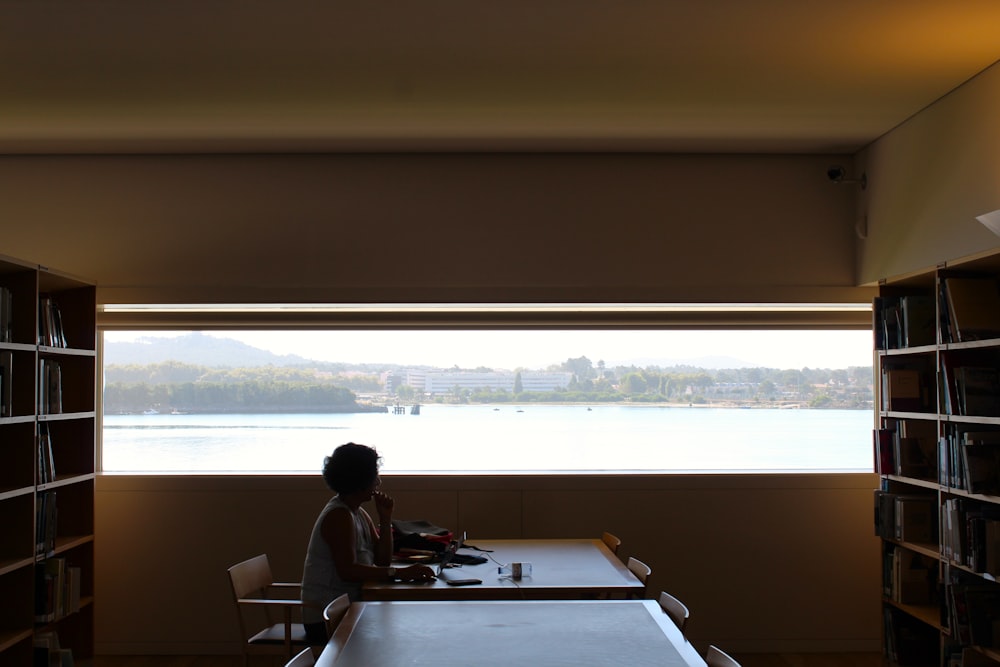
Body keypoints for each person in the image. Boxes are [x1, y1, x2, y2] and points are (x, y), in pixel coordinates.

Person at [300, 442, 436, 645]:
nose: (378, 482)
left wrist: (386, 518)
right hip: (327, 616)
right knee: (402, 634)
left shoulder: (358, 513)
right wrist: (400, 573)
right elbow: (348, 571)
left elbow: (382, 560)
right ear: (360, 480)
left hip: (350, 607)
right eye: (375, 476)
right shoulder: (338, 516)